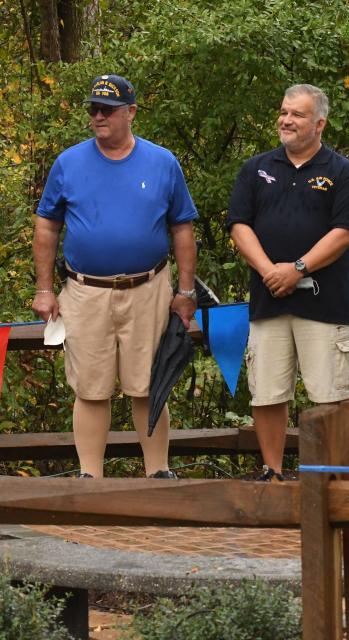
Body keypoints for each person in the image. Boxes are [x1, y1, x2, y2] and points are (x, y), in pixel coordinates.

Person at [32, 74, 198, 479]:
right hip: (85, 291)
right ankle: (91, 478)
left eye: (107, 109)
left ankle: (157, 474)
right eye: (93, 109)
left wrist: (186, 290)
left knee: (148, 384)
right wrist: (43, 289)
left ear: (132, 112)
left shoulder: (162, 162)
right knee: (91, 387)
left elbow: (182, 228)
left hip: (150, 287)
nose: (98, 116)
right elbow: (46, 226)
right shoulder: (68, 162)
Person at [227, 84, 349, 481]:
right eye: (284, 112)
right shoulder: (255, 169)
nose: (286, 120)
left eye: (298, 114)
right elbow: (239, 225)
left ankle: (331, 479)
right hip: (269, 302)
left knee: (330, 395)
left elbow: (345, 232)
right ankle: (272, 472)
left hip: (325, 306)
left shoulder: (343, 173)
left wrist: (298, 268)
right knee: (267, 393)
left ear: (319, 123)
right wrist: (271, 270)